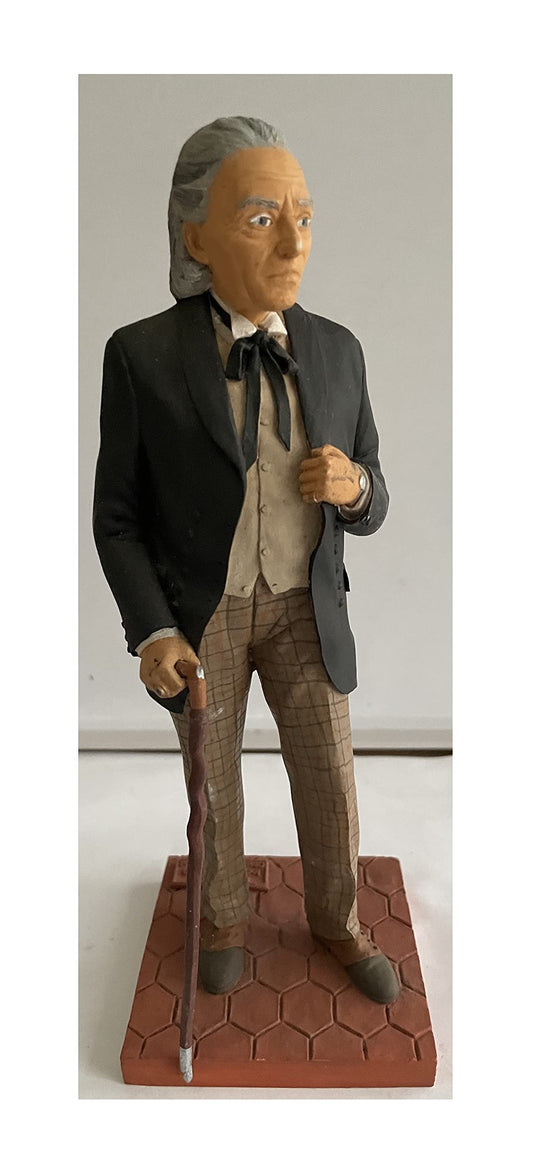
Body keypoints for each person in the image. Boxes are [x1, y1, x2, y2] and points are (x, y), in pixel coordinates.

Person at [93, 116, 399, 1004]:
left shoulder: (338, 350)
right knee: (211, 778)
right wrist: (153, 627)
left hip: (306, 605)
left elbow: (375, 493)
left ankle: (337, 918)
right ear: (195, 237)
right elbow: (117, 518)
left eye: (304, 216)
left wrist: (352, 488)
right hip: (206, 611)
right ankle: (223, 914)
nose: (294, 243)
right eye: (261, 218)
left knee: (329, 774)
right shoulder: (141, 355)